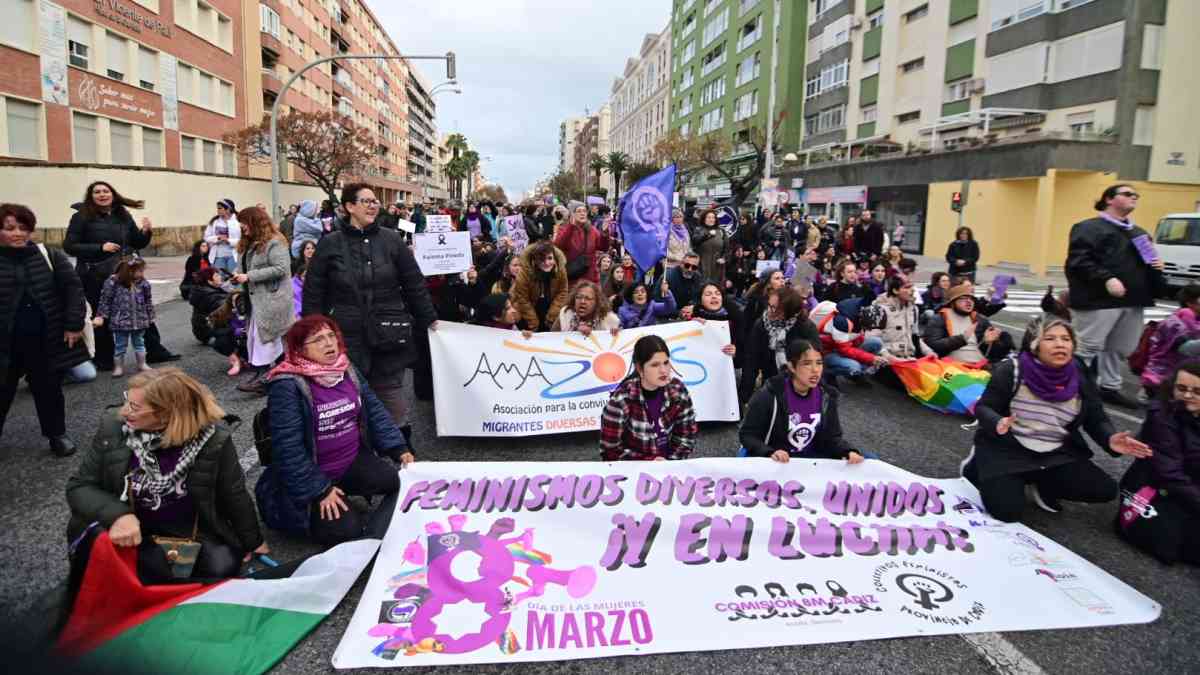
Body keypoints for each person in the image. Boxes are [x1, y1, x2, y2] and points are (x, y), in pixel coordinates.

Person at [66, 368, 266, 581]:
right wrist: (118, 515)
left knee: (223, 565)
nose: (123, 412)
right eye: (126, 400)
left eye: (134, 406)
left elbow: (233, 493)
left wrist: (253, 541)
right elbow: (79, 486)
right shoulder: (114, 428)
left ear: (167, 414)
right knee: (105, 563)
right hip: (128, 533)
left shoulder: (214, 439)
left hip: (183, 533)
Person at [962, 317, 1152, 522]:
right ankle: (976, 464)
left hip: (1053, 453)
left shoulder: (1079, 373)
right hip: (1008, 450)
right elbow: (984, 407)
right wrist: (997, 421)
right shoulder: (1012, 370)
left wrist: (1109, 438)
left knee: (1105, 490)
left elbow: (1095, 417)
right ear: (1034, 345)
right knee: (1007, 512)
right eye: (1050, 338)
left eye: (1066, 339)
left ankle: (1043, 485)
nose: (1060, 344)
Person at [256, 317, 413, 546]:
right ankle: (310, 505)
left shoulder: (345, 367)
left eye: (331, 336)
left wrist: (398, 448)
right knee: (348, 531)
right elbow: (288, 449)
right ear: (299, 349)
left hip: (348, 462)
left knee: (393, 480)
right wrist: (319, 490)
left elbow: (373, 408)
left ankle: (341, 489)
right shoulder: (287, 385)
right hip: (312, 473)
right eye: (318, 340)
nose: (329, 344)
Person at [303, 183, 438, 433]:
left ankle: (400, 451)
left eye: (375, 201)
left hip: (390, 332)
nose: (373, 205)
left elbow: (414, 283)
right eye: (366, 201)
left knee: (391, 394)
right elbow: (314, 291)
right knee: (351, 393)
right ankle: (358, 448)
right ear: (349, 207)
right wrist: (312, 332)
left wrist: (430, 319)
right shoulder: (330, 243)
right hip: (347, 334)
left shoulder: (392, 239)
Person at [1066, 184, 1166, 409]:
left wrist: (1157, 270)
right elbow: (1079, 261)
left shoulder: (1139, 233)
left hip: (1133, 300)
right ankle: (1071, 386)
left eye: (1136, 196)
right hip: (1098, 300)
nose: (1134, 198)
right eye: (1128, 194)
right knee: (1086, 346)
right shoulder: (1088, 228)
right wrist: (1106, 278)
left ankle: (1109, 387)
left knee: (1120, 348)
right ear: (1109, 199)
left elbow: (1151, 262)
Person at [0, 204, 87, 457]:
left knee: (49, 390)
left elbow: (73, 289)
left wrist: (73, 324)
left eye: (23, 228)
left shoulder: (48, 255)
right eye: (9, 228)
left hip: (45, 339)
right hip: (6, 343)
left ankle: (56, 434)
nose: (17, 233)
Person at [63, 181, 155, 372]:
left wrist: (146, 232)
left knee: (138, 308)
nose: (102, 194)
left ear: (113, 194)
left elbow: (137, 241)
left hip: (122, 273)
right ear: (91, 196)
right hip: (94, 274)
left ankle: (155, 351)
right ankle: (104, 358)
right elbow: (69, 246)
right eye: (97, 192)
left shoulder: (121, 214)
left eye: (106, 191)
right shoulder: (81, 217)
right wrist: (100, 247)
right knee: (101, 315)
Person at [1116, 360, 1200, 565]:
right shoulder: (1162, 416)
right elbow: (1171, 474)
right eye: (1181, 388)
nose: (1187, 395)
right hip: (1158, 489)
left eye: (1197, 391)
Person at [740, 339, 866, 464]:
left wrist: (847, 451)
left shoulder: (827, 396)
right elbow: (747, 435)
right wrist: (769, 452)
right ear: (791, 367)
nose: (815, 370)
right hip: (779, 462)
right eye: (807, 363)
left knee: (867, 459)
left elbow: (832, 438)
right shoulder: (769, 395)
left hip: (811, 461)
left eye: (819, 363)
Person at [600, 335, 697, 461]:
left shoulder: (677, 389)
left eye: (666, 363)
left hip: (672, 465)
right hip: (635, 470)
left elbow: (687, 435)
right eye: (655, 365)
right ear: (640, 369)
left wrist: (672, 462)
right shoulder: (621, 401)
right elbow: (609, 451)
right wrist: (649, 463)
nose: (663, 370)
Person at [229, 206, 294, 395]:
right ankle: (266, 376)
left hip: (272, 300)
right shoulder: (247, 243)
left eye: (244, 223)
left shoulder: (275, 242)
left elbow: (281, 268)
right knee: (260, 339)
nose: (241, 227)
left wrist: (249, 276)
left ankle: (266, 378)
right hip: (255, 300)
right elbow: (243, 269)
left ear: (254, 222)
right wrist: (237, 277)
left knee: (267, 339)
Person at [741, 287, 821, 400]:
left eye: (776, 309)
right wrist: (745, 396)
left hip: (801, 382)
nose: (769, 311)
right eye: (769, 305)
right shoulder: (762, 324)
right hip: (770, 380)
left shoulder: (805, 326)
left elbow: (816, 358)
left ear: (791, 311)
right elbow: (751, 360)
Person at [923, 283, 1013, 366]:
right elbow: (932, 345)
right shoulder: (939, 318)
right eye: (963, 299)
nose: (968, 301)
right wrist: (962, 339)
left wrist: (987, 342)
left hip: (980, 367)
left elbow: (990, 354)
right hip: (950, 368)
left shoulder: (980, 319)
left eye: (971, 299)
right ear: (952, 302)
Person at [94, 257, 154, 378]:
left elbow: (148, 300)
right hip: (120, 321)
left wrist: (150, 315)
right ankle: (118, 367)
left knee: (140, 343)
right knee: (120, 345)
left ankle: (142, 364)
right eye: (140, 271)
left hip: (139, 320)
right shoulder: (114, 282)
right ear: (130, 271)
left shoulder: (143, 283)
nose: (142, 274)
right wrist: (101, 316)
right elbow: (105, 300)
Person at [810, 299, 888, 385]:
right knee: (854, 366)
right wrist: (872, 358)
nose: (870, 330)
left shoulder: (860, 316)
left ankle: (856, 373)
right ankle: (828, 373)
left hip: (842, 347)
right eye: (871, 327)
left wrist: (882, 353)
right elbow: (844, 350)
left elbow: (857, 340)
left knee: (876, 342)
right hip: (828, 351)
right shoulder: (842, 322)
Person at [1140, 285, 1200, 398]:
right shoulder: (1174, 323)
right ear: (1190, 303)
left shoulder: (1196, 321)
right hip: (1162, 381)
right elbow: (1185, 349)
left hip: (1182, 380)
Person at [510, 240, 569, 332]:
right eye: (542, 259)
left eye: (550, 258)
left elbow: (562, 292)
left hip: (549, 307)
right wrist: (533, 322)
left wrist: (552, 315)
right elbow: (522, 298)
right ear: (534, 260)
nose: (546, 262)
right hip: (527, 310)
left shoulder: (560, 270)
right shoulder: (524, 273)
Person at [555, 202, 610, 287]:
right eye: (579, 211)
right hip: (572, 277)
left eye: (584, 211)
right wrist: (571, 227)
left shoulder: (592, 230)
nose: (582, 213)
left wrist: (605, 233)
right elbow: (558, 245)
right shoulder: (564, 228)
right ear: (572, 214)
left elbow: (603, 247)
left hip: (590, 277)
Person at [692, 281, 743, 366]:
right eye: (708, 294)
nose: (714, 297)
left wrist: (736, 352)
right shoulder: (695, 320)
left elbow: (747, 352)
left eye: (718, 294)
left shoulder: (736, 319)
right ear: (700, 300)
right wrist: (693, 327)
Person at [556, 280, 620, 335]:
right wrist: (576, 332)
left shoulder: (609, 320)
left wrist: (615, 335)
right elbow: (552, 338)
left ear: (597, 302)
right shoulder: (566, 314)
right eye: (578, 297)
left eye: (588, 298)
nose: (582, 301)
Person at [188, 267, 227, 345]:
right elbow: (226, 305)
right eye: (216, 276)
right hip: (208, 332)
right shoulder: (208, 294)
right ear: (209, 281)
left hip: (204, 330)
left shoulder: (204, 289)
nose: (220, 277)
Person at [205, 199, 242, 277]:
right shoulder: (214, 221)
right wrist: (217, 238)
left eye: (220, 208)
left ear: (228, 209)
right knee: (219, 278)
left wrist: (228, 240)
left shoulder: (238, 221)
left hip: (234, 255)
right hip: (218, 255)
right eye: (217, 208)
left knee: (234, 277)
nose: (218, 210)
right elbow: (206, 237)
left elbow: (243, 239)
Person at [692, 209, 729, 282]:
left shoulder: (721, 231)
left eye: (713, 217)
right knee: (702, 283)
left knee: (716, 284)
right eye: (708, 217)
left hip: (717, 264)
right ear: (704, 219)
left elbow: (727, 248)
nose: (711, 219)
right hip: (702, 263)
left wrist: (723, 258)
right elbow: (695, 241)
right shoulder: (698, 230)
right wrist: (707, 235)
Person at [664, 251, 704, 317]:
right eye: (687, 265)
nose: (690, 269)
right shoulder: (668, 277)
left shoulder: (698, 277)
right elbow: (658, 301)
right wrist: (678, 312)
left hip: (691, 314)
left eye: (694, 267)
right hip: (670, 316)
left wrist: (693, 307)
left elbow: (699, 297)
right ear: (681, 264)